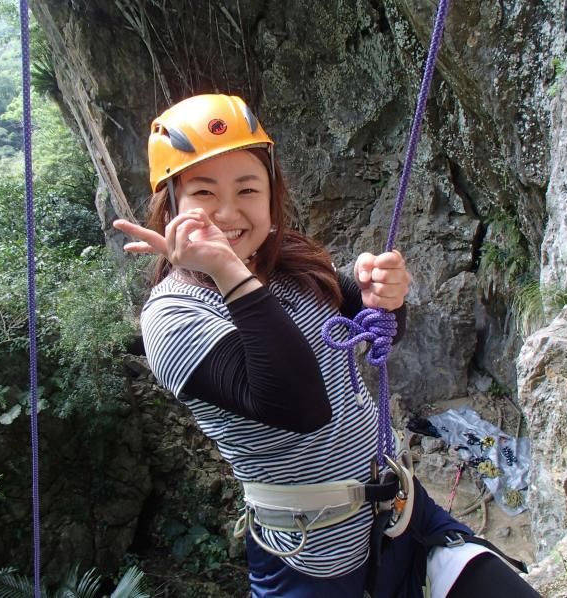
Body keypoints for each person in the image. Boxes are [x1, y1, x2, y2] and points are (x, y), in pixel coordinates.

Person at [114, 94, 539, 598]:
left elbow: (376, 325)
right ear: (172, 206)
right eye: (204, 192)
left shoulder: (287, 269)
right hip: (309, 558)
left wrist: (385, 293)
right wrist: (226, 269)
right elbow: (298, 405)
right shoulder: (173, 316)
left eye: (248, 188)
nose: (228, 212)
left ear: (271, 198)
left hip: (399, 513)